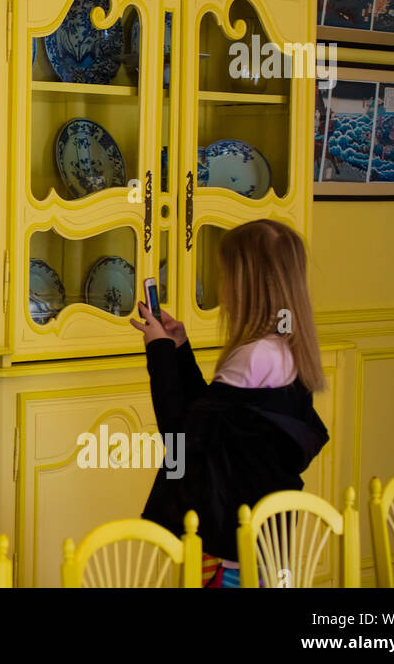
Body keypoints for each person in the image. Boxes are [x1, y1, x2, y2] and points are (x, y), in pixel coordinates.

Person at [130, 219, 329, 588]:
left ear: (246, 284)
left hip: (224, 537)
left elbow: (180, 436)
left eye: (225, 276)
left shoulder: (252, 356)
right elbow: (208, 418)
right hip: (263, 535)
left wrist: (158, 350)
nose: (222, 286)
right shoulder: (285, 349)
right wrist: (179, 347)